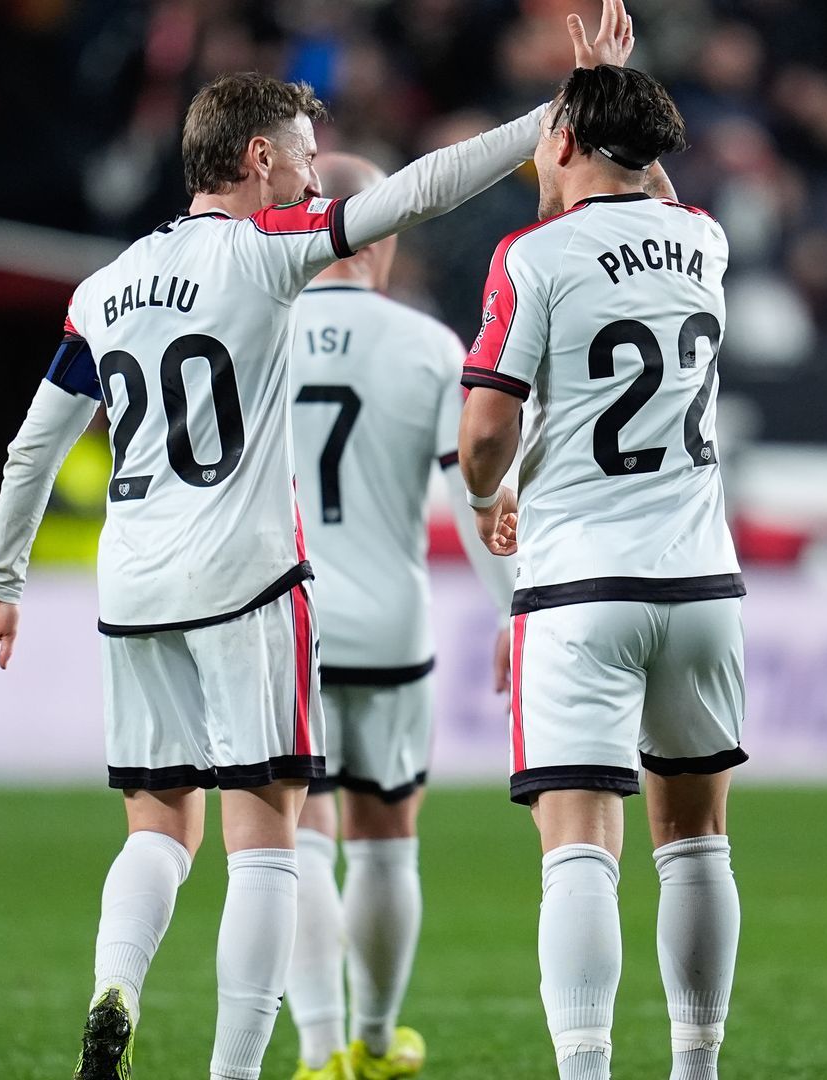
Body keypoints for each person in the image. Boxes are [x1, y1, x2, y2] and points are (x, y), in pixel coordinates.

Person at [0, 6, 636, 1077]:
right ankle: (238, 1071)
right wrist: (557, 113)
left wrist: (3, 582)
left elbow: (31, 451)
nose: (319, 185)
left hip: (129, 583)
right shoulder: (268, 253)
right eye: (309, 163)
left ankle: (113, 993)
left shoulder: (104, 288)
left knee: (154, 828)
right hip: (247, 580)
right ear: (259, 160)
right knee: (268, 841)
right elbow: (419, 189)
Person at [456, 61, 746, 1080]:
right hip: (703, 584)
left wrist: (493, 496)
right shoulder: (704, 240)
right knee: (696, 843)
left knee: (579, 845)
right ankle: (697, 1069)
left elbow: (486, 432)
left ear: (567, 142)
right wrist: (616, 79)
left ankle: (586, 1074)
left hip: (581, 585)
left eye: (548, 131)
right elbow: (647, 206)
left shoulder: (531, 257)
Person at [282, 152, 516, 1080]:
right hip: (388, 625)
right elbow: (477, 493)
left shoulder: (261, 329)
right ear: (383, 232)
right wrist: (513, 609)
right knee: (386, 838)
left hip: (281, 619)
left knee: (293, 835)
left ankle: (312, 1053)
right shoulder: (427, 346)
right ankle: (377, 1044)